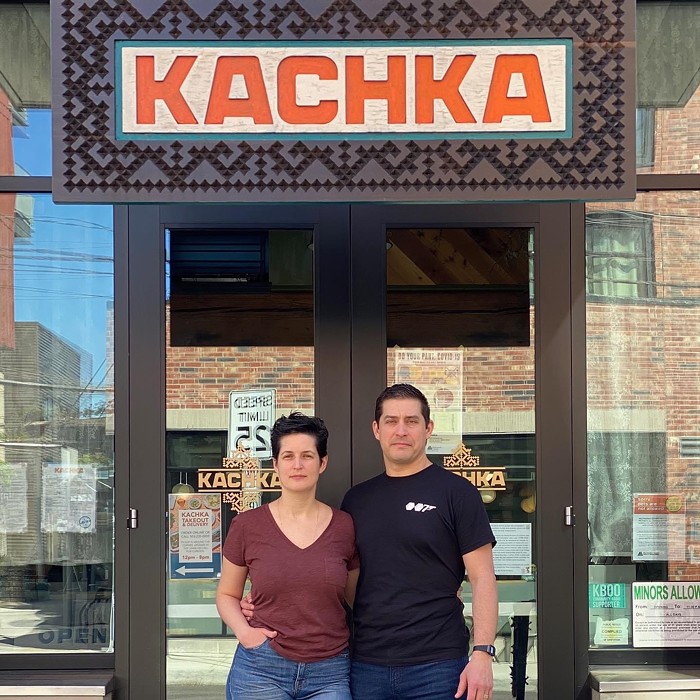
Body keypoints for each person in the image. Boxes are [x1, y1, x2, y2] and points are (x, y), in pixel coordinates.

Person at [341, 383, 497, 700]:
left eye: (411, 421)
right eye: (391, 421)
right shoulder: (356, 500)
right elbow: (344, 580)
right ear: (376, 429)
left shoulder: (457, 493)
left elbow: (482, 578)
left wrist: (482, 653)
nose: (401, 430)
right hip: (367, 664)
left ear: (428, 429)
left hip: (438, 665)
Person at [217, 412, 359, 699]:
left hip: (329, 672)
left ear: (323, 463)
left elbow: (355, 597)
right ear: (276, 464)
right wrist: (246, 634)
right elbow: (227, 595)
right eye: (288, 456)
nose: (297, 465)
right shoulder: (248, 525)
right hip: (261, 668)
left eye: (307, 455)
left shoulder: (345, 526)